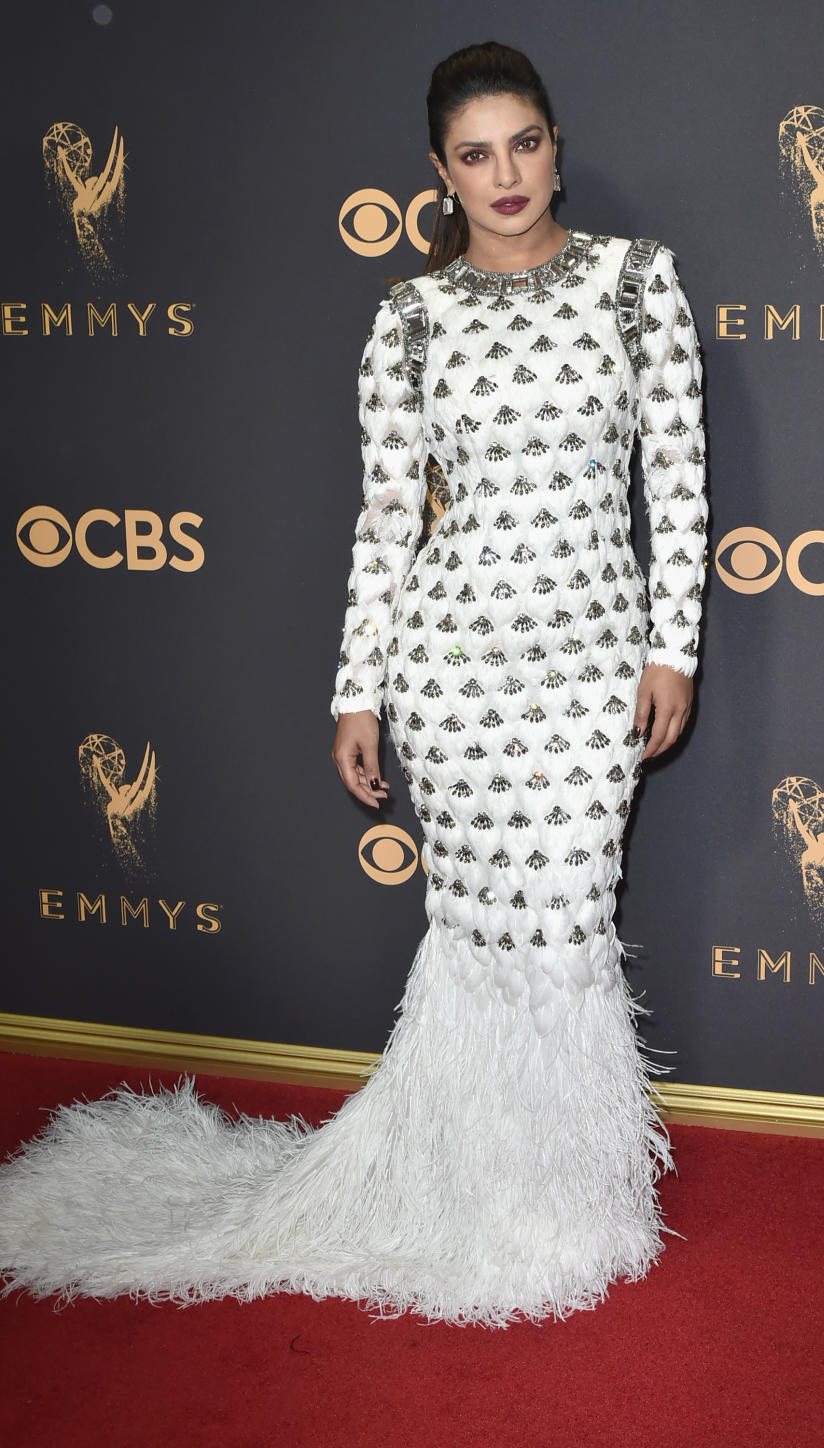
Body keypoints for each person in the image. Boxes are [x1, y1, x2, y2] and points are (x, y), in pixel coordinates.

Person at [0, 40, 706, 1328]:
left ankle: (575, 1193)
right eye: (476, 154)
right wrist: (359, 690)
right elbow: (387, 522)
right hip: (452, 678)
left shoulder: (634, 286)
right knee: (486, 938)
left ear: (559, 145)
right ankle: (486, 1184)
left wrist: (676, 647)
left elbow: (678, 481)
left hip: (594, 671)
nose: (507, 174)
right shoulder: (410, 320)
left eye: (527, 142)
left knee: (566, 930)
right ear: (438, 173)